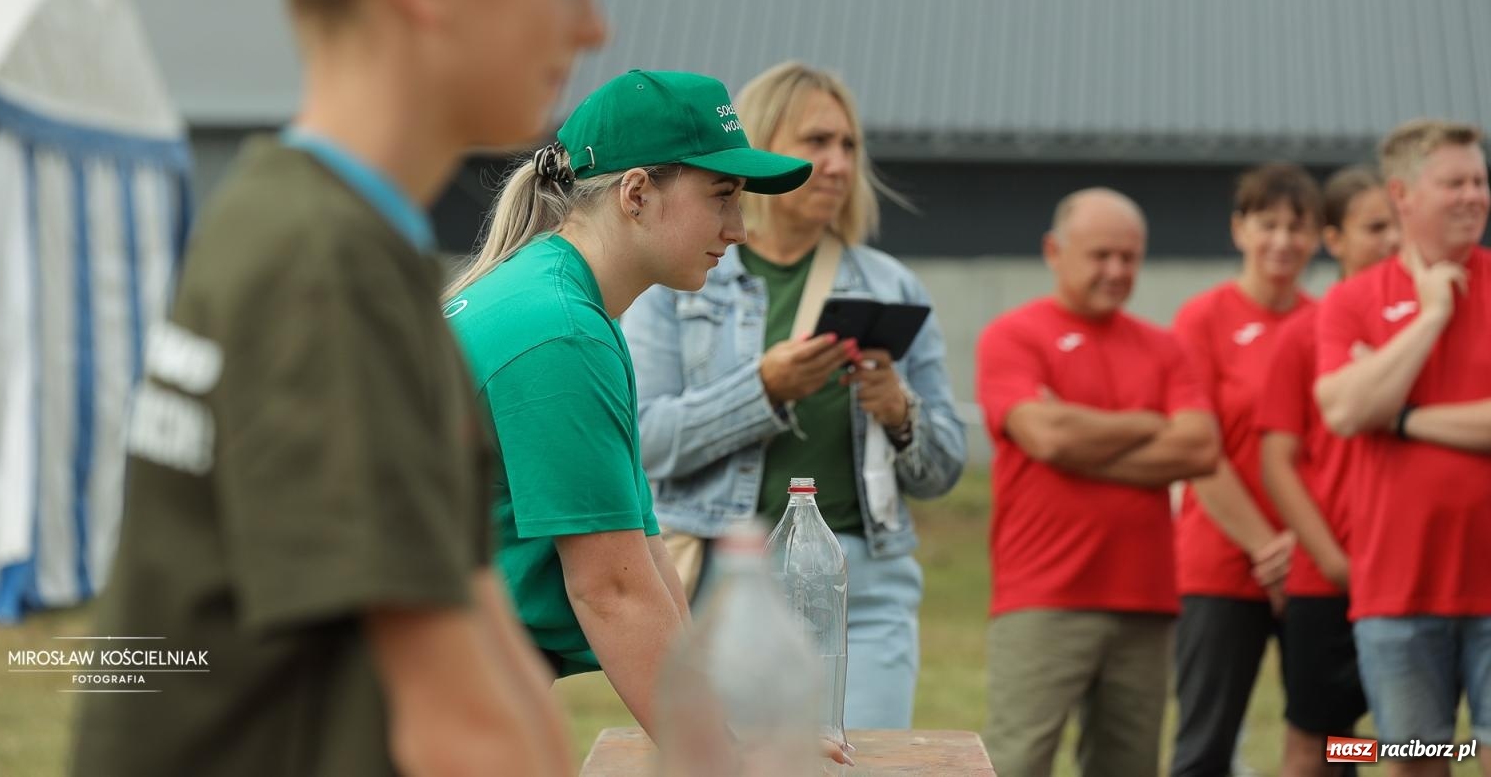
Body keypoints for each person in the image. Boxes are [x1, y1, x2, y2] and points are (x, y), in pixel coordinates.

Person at [71, 0, 715, 777]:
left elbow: (468, 618)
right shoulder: (319, 266)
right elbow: (451, 719)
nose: (592, 23)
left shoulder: (327, 234)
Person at [443, 69, 814, 739]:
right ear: (637, 192)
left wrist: (739, 731)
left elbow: (643, 562)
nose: (739, 227)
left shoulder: (573, 308)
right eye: (723, 195)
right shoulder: (559, 329)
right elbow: (609, 594)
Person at [619, 60, 968, 730]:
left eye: (849, 146)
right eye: (816, 142)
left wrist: (899, 413)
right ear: (758, 149)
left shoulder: (894, 286)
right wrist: (764, 390)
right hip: (728, 578)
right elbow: (646, 443)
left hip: (865, 589)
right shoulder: (680, 281)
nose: (838, 164)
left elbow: (943, 470)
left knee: (859, 770)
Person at [976, 188, 1219, 777]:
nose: (1116, 270)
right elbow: (1045, 436)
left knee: (1130, 766)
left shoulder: (1166, 347)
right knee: (1015, 763)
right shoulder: (1013, 336)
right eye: (1100, 255)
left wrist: (1077, 441)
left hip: (1145, 599)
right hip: (1043, 596)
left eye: (1129, 257)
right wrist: (1146, 422)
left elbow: (1201, 447)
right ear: (1054, 251)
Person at [1315, 120, 1491, 777]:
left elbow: (1373, 409)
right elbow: (1344, 410)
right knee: (1415, 762)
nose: (1474, 195)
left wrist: (1404, 415)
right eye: (1455, 182)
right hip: (1397, 593)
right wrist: (1433, 316)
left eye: (1480, 180)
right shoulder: (1352, 301)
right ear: (1404, 195)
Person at [1170, 163, 1322, 777]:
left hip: (1315, 564)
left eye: (1298, 226)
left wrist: (1303, 551)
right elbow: (1199, 451)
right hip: (1219, 564)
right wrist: (1270, 550)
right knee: (1205, 745)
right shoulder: (1202, 319)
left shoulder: (1328, 320)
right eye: (1268, 224)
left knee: (1333, 740)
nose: (1282, 240)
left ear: (1319, 237)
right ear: (1240, 229)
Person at [1257, 167, 1399, 777]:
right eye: (1376, 227)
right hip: (1330, 580)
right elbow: (1278, 460)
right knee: (1318, 740)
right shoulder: (1303, 335)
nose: (1393, 240)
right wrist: (1334, 560)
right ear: (1334, 239)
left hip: (1414, 577)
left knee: (1418, 743)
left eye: (1400, 224)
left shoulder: (1427, 322)